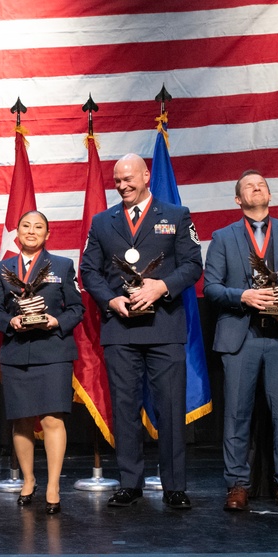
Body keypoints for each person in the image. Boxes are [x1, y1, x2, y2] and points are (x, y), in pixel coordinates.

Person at [79, 153, 202, 510]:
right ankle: (129, 482)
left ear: (146, 175)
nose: (123, 186)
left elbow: (193, 265)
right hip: (121, 328)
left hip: (164, 326)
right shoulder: (103, 222)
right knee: (125, 407)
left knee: (170, 408)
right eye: (118, 181)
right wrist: (111, 301)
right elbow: (89, 271)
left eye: (129, 179)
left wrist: (159, 288)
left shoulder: (176, 216)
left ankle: (174, 486)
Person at [203, 170, 278, 512]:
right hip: (241, 335)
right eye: (249, 186)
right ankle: (237, 485)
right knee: (237, 414)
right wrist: (245, 296)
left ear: (270, 195)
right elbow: (211, 287)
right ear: (238, 200)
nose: (257, 187)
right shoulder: (223, 237)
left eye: (262, 184)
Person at [0, 210, 83, 515]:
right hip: (17, 353)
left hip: (53, 352)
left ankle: (53, 485)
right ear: (17, 232)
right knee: (22, 420)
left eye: (38, 227)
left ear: (48, 234)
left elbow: (77, 308)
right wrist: (10, 321)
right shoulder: (2, 268)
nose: (31, 231)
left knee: (53, 419)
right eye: (26, 226)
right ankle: (29, 480)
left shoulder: (63, 266)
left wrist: (56, 321)